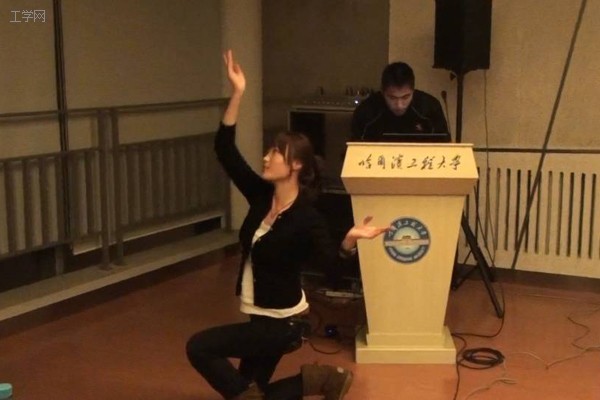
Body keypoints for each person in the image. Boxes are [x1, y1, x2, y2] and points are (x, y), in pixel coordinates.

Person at [186, 50, 388, 400]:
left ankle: (314, 381)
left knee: (200, 347)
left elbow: (331, 269)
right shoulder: (261, 196)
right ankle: (321, 380)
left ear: (295, 165)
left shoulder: (307, 218)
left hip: (282, 324)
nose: (266, 157)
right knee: (254, 391)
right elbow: (224, 149)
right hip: (260, 316)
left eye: (275, 153)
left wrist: (349, 242)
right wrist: (238, 93)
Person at [350, 61, 450, 142]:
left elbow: (445, 147)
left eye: (405, 97)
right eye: (392, 98)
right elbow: (352, 151)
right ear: (382, 92)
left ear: (413, 91)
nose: (399, 105)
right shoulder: (366, 112)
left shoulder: (430, 108)